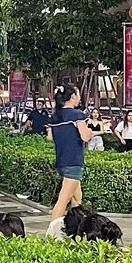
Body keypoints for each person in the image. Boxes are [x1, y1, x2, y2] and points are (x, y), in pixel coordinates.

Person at [45, 84, 94, 239]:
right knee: (63, 200)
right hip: (74, 161)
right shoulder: (77, 115)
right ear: (73, 96)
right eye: (78, 94)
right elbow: (85, 136)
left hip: (61, 160)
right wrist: (91, 132)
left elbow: (50, 137)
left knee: (77, 199)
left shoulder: (55, 117)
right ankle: (51, 237)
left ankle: (77, 231)